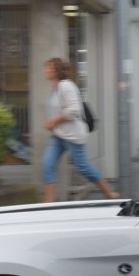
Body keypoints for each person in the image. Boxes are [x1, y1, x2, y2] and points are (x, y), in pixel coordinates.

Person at [42, 57, 119, 202]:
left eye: (49, 68)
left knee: (82, 167)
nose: (46, 70)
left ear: (57, 71)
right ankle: (48, 204)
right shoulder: (55, 88)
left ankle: (109, 193)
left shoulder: (66, 86)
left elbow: (75, 110)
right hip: (58, 135)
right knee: (47, 164)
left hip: (72, 135)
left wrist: (54, 121)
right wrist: (53, 124)